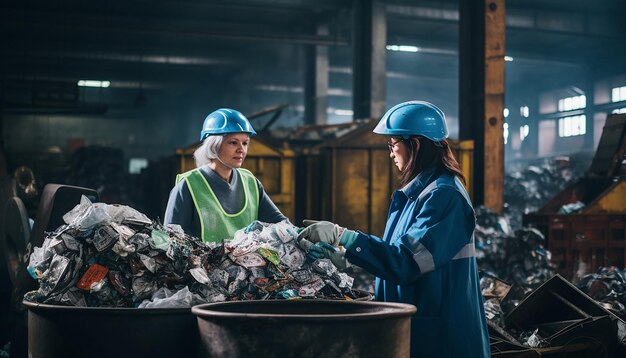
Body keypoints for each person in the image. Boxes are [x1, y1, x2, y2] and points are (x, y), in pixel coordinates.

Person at [298, 101, 490, 357]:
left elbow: (407, 261)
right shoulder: (419, 193)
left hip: (442, 336)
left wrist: (342, 234)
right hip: (418, 323)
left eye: (393, 145)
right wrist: (348, 259)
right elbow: (400, 250)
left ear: (416, 144)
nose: (391, 153)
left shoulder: (445, 196)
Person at [164, 108, 287, 243]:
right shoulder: (188, 186)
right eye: (233, 142)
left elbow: (281, 224)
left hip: (248, 263)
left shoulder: (251, 183)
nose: (241, 150)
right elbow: (171, 241)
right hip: (201, 264)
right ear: (214, 146)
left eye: (245, 143)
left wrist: (303, 236)